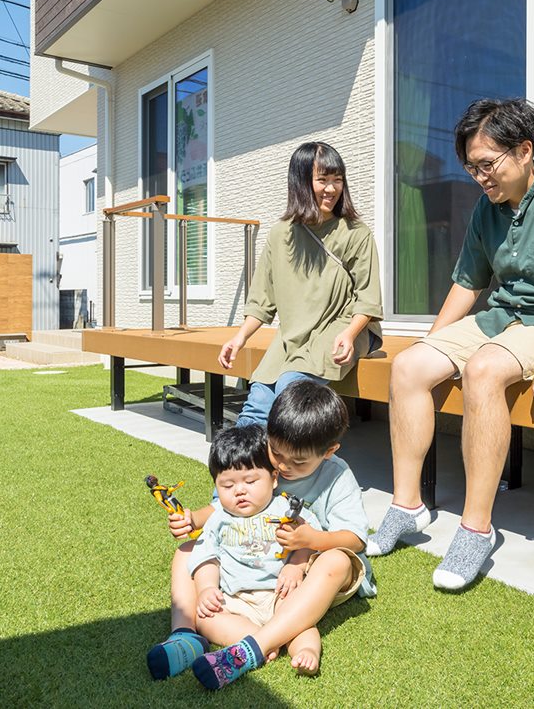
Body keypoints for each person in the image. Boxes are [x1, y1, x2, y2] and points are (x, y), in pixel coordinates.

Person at [366, 98, 534, 590]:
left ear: (525, 150)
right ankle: (407, 504)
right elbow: (467, 282)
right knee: (410, 367)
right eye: (471, 168)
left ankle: (476, 528)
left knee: (482, 371)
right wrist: (432, 345)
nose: (480, 177)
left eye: (486, 164)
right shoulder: (487, 207)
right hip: (502, 319)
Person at [148, 381, 376, 690]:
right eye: (277, 454)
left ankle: (255, 646)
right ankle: (184, 635)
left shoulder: (337, 476)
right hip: (256, 572)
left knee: (336, 560)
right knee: (186, 551)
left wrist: (310, 542)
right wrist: (193, 520)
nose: (283, 466)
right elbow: (225, 509)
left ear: (328, 452)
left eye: (298, 462)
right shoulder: (265, 457)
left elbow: (356, 540)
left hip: (310, 571)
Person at [220, 141, 383, 426]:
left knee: (289, 392)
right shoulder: (280, 235)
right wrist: (240, 337)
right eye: (322, 180)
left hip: (341, 328)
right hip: (292, 335)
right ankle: (244, 470)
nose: (331, 189)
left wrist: (349, 334)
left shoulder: (356, 233)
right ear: (301, 182)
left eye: (337, 180)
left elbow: (367, 297)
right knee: (256, 404)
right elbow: (262, 299)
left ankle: (294, 469)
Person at [185, 424, 325, 678]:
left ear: (273, 479)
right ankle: (259, 640)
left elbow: (308, 541)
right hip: (236, 599)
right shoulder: (218, 518)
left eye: (250, 481)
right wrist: (206, 589)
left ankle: (307, 651)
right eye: (227, 486)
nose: (239, 490)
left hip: (280, 595)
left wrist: (296, 565)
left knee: (303, 623)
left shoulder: (285, 508)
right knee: (206, 619)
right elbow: (206, 557)